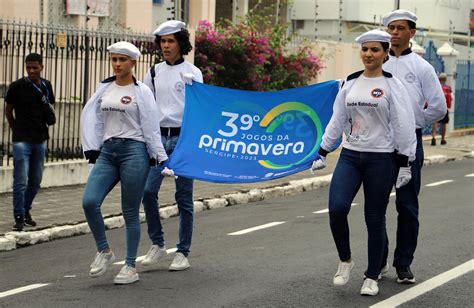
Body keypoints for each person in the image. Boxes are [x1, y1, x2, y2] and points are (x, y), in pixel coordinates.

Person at [311, 29, 416, 296]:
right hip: (350, 155)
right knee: (336, 208)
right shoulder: (350, 82)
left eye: (375, 50)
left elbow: (403, 125)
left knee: (374, 216)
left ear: (384, 54)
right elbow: (337, 119)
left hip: (381, 158)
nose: (368, 54)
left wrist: (405, 162)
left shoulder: (393, 85)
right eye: (365, 49)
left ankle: (371, 275)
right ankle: (345, 260)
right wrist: (323, 150)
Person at [80, 41, 172, 284]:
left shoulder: (141, 91)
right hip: (108, 152)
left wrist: (161, 159)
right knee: (89, 201)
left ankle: (130, 266)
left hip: (135, 151)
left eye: (122, 60)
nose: (117, 64)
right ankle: (104, 251)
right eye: (114, 59)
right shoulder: (104, 89)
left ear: (133, 63)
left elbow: (151, 128)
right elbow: (95, 121)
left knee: (130, 211)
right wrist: (93, 151)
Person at [382, 9, 447, 283]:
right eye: (391, 28)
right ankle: (378, 262)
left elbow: (439, 108)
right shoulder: (377, 63)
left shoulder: (422, 67)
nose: (394, 33)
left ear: (412, 33)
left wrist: (412, 122)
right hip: (378, 145)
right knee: (375, 205)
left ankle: (403, 264)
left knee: (407, 206)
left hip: (410, 145)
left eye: (400, 28)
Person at [140, 20, 203, 271]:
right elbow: (145, 107)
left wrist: (193, 142)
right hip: (158, 138)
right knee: (147, 191)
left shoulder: (192, 72)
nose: (166, 46)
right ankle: (157, 243)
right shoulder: (153, 72)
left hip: (183, 138)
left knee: (183, 196)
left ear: (181, 44)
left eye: (171, 41)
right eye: (163, 42)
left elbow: (199, 109)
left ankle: (183, 251)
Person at [5, 53, 56, 231]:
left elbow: (50, 106)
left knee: (35, 180)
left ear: (42, 66)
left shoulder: (46, 86)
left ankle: (26, 211)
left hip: (40, 138)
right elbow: (8, 110)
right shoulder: (17, 86)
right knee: (21, 180)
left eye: (35, 67)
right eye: (29, 68)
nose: (32, 71)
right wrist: (15, 129)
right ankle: (18, 215)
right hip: (21, 140)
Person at [431, 73, 452, 146]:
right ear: (445, 79)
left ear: (439, 79)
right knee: (444, 124)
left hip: (436, 107)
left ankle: (433, 138)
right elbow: (449, 98)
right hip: (444, 107)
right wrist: (448, 107)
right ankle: (442, 139)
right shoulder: (447, 88)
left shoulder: (435, 87)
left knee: (435, 122)